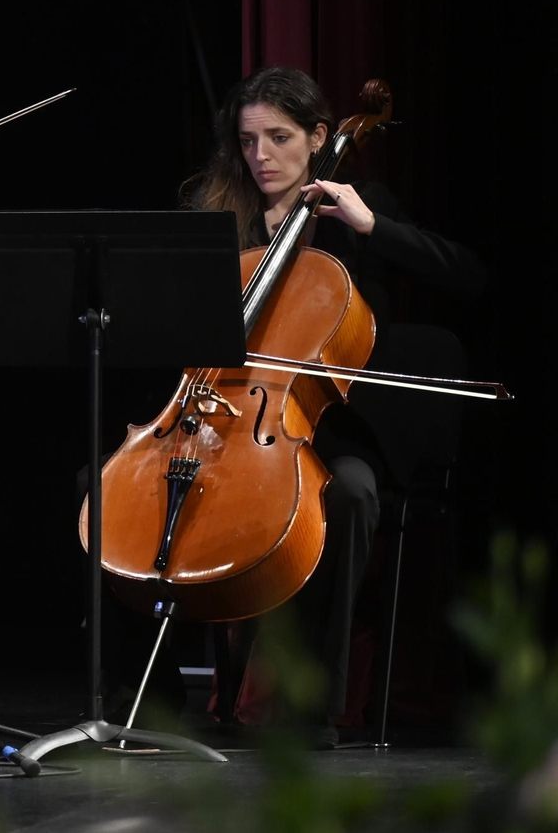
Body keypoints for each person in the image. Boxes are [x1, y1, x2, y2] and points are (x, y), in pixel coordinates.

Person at [177, 65, 483, 744]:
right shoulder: (223, 214)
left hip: (335, 426)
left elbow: (467, 273)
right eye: (249, 140)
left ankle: (311, 705)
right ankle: (153, 693)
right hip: (233, 420)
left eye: (279, 138)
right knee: (140, 494)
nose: (261, 156)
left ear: (320, 136)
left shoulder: (358, 205)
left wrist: (373, 227)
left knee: (350, 494)